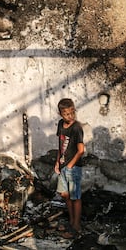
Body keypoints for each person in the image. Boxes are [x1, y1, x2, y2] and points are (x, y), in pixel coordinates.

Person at [54, 98, 84, 238]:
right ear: (61, 114)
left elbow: (81, 150)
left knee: (75, 196)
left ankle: (76, 226)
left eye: (72, 112)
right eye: (66, 114)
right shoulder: (61, 124)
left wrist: (70, 165)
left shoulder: (76, 128)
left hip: (73, 167)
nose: (70, 116)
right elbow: (60, 145)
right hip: (62, 165)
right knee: (65, 194)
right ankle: (71, 221)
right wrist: (57, 162)